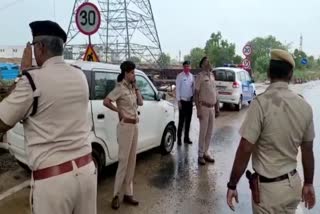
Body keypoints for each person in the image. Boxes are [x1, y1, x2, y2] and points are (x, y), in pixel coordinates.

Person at [0, 20, 97, 213]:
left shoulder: (31, 81)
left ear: (41, 47)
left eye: (33, 46)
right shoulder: (80, 76)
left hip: (53, 183)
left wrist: (24, 73)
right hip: (87, 172)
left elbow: (2, 121)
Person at [227, 49, 316, 213]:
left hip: (268, 192)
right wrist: (309, 183)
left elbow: (245, 148)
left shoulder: (260, 104)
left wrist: (232, 184)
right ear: (290, 75)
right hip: (293, 186)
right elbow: (307, 149)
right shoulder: (304, 107)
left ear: (268, 73)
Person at [103, 61, 143, 210]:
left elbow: (140, 103)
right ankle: (115, 195)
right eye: (132, 72)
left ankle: (128, 193)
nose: (134, 74)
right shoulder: (119, 88)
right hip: (125, 126)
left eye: (134, 72)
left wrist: (137, 87)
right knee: (123, 162)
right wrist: (117, 111)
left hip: (134, 126)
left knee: (132, 161)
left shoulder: (132, 88)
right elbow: (106, 101)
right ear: (126, 73)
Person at [194, 57, 217, 165]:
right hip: (203, 107)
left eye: (209, 61)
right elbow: (196, 93)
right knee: (203, 132)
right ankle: (200, 154)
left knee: (210, 132)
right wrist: (198, 109)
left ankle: (206, 152)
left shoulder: (212, 76)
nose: (209, 63)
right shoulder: (200, 76)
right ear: (203, 65)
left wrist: (217, 107)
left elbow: (215, 92)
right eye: (207, 62)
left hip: (212, 107)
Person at [175, 60, 194, 145]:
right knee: (181, 121)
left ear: (190, 67)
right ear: (183, 67)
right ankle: (179, 138)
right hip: (182, 101)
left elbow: (192, 88)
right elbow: (177, 89)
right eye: (185, 66)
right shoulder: (180, 76)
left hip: (189, 101)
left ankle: (186, 138)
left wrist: (193, 99)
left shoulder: (191, 76)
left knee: (188, 121)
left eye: (188, 66)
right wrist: (178, 101)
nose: (187, 68)